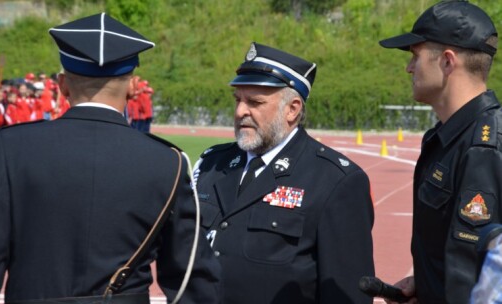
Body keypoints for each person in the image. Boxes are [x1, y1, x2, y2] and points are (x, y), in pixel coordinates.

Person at [0, 13, 220, 304]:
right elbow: (192, 279)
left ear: (63, 84)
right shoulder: (168, 162)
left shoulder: (13, 148)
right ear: (133, 86)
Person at [193, 42, 375, 304]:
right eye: (238, 100)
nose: (240, 111)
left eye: (254, 102)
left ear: (292, 109)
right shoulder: (213, 164)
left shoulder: (335, 180)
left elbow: (347, 294)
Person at [379, 1, 502, 303]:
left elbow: (471, 270)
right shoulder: (445, 137)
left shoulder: (485, 146)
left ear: (447, 62)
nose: (409, 67)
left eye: (415, 56)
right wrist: (426, 283)